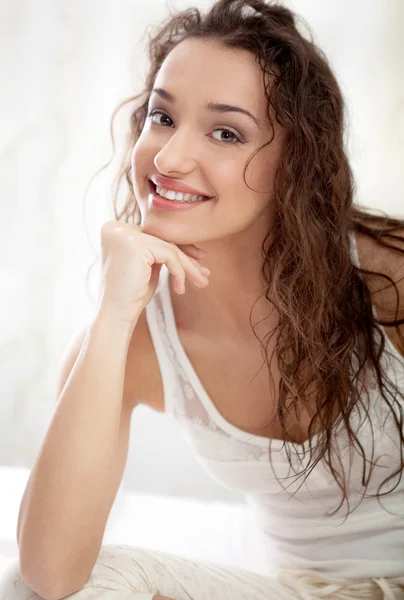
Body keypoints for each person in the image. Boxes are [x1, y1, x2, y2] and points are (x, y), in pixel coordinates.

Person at [1, 0, 404, 598]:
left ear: (296, 161)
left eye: (225, 132)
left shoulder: (384, 272)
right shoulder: (134, 335)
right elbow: (50, 572)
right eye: (161, 118)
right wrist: (115, 314)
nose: (167, 159)